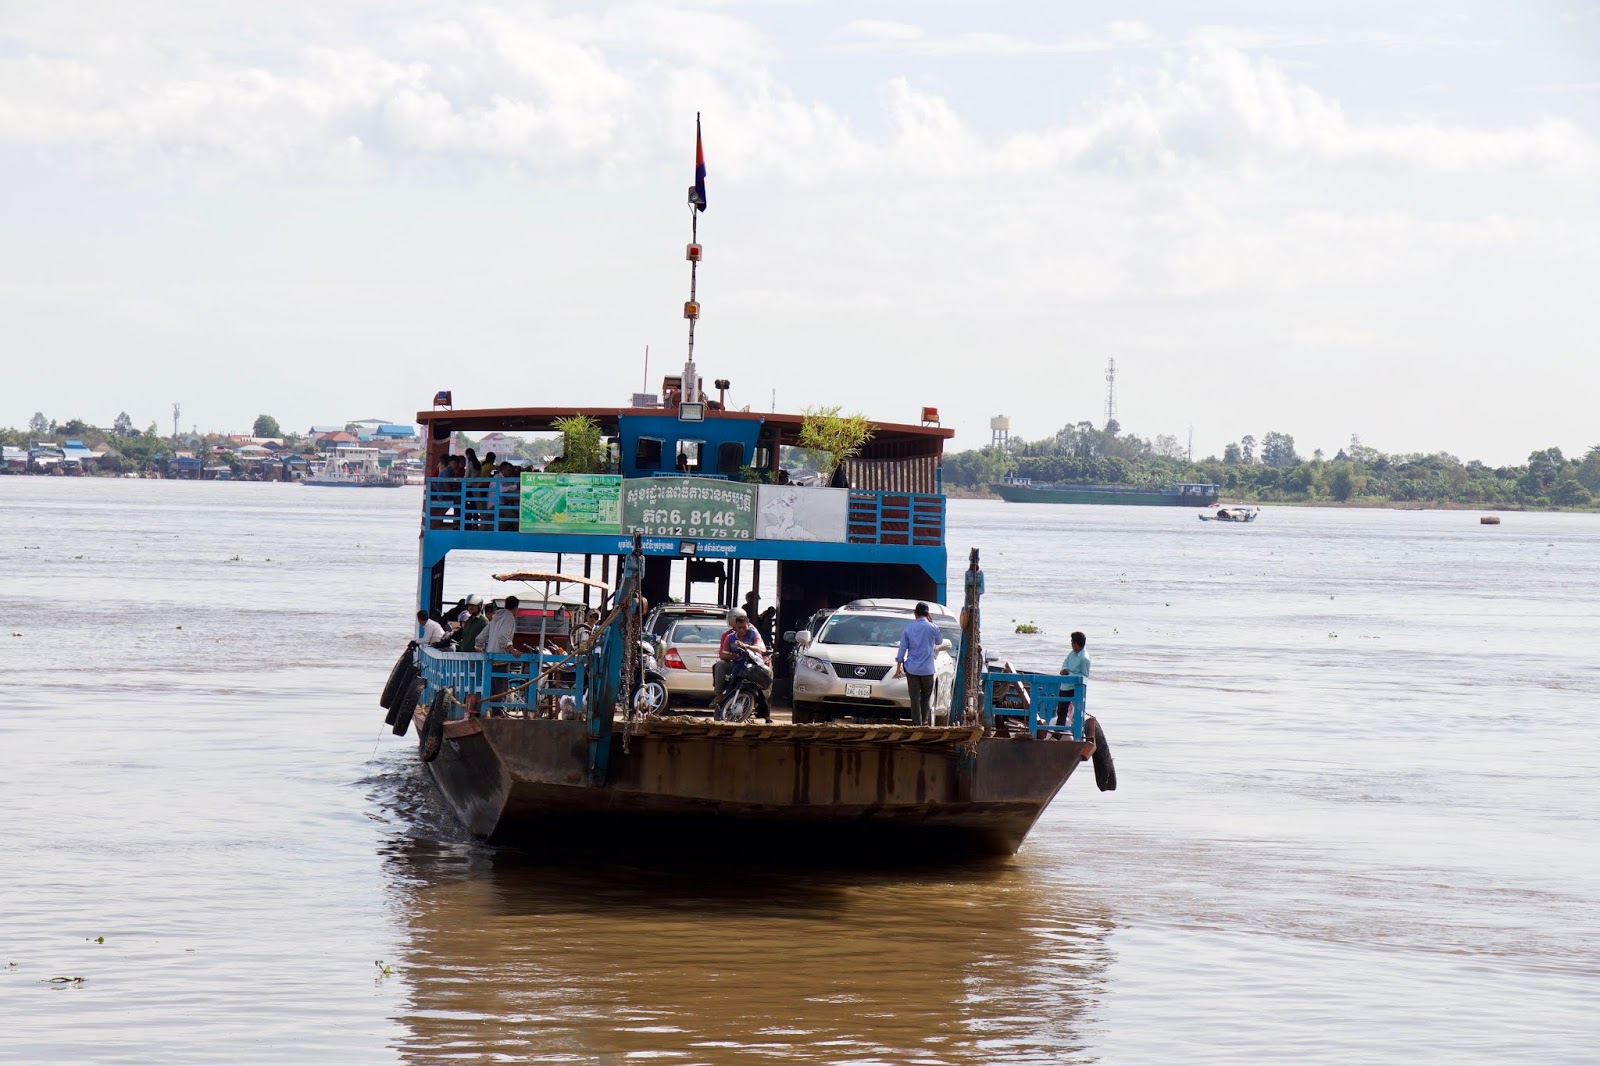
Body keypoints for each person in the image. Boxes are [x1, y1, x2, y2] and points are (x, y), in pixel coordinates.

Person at [712, 608, 767, 718]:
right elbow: (723, 654)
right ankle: (719, 695)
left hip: (753, 665)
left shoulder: (754, 634)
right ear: (735, 627)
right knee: (719, 665)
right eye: (739, 628)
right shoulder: (729, 637)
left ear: (748, 626)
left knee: (762, 688)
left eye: (744, 628)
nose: (742, 630)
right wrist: (732, 656)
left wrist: (745, 646)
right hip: (737, 664)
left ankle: (766, 715)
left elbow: (759, 648)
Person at [893, 602, 942, 727]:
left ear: (915, 614)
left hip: (912, 670)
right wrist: (932, 622)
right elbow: (939, 641)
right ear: (927, 614)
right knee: (925, 698)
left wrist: (898, 668)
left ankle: (916, 724)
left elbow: (902, 650)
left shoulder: (908, 628)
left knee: (914, 698)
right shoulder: (933, 628)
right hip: (928, 670)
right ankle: (924, 723)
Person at [1056, 631, 1091, 738]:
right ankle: (1057, 734)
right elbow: (1065, 662)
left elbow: (1084, 675)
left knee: (1077, 712)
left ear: (1077, 643)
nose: (1071, 644)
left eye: (1072, 642)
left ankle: (1077, 733)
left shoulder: (1084, 658)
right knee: (1061, 710)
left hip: (1075, 688)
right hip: (1065, 686)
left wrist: (1069, 673)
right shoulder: (1072, 653)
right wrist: (1064, 669)